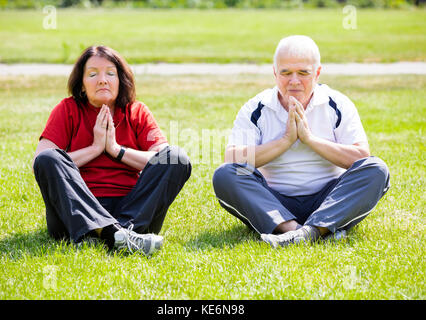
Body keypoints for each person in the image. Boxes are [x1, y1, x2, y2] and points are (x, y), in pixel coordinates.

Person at [212, 35, 390, 248]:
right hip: (273, 202)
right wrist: (285, 141)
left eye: (303, 73)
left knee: (376, 169)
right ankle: (297, 231)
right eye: (286, 73)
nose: (294, 81)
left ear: (317, 73)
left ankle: (309, 231)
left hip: (329, 198)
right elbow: (232, 158)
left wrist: (310, 139)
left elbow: (361, 157)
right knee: (226, 174)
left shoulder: (337, 104)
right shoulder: (256, 108)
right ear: (275, 73)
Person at [33, 45, 191, 255]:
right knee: (48, 159)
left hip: (133, 210)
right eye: (92, 74)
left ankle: (119, 231)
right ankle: (113, 234)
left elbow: (161, 157)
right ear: (81, 84)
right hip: (76, 211)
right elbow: (41, 160)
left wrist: (116, 150)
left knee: (176, 158)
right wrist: (95, 148)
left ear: (120, 81)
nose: (102, 80)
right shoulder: (67, 109)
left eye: (110, 73)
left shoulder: (137, 111)